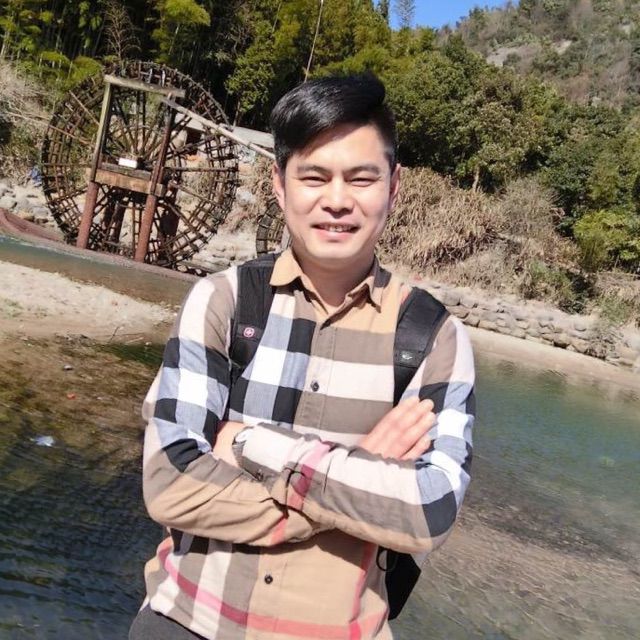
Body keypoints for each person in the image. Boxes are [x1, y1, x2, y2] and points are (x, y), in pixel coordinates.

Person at [130, 74, 475, 640]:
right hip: (186, 622)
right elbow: (170, 484)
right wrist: (360, 469)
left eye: (361, 178)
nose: (336, 200)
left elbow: (429, 511)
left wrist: (250, 445)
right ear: (279, 184)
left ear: (394, 187)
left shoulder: (431, 337)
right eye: (314, 176)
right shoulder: (223, 301)